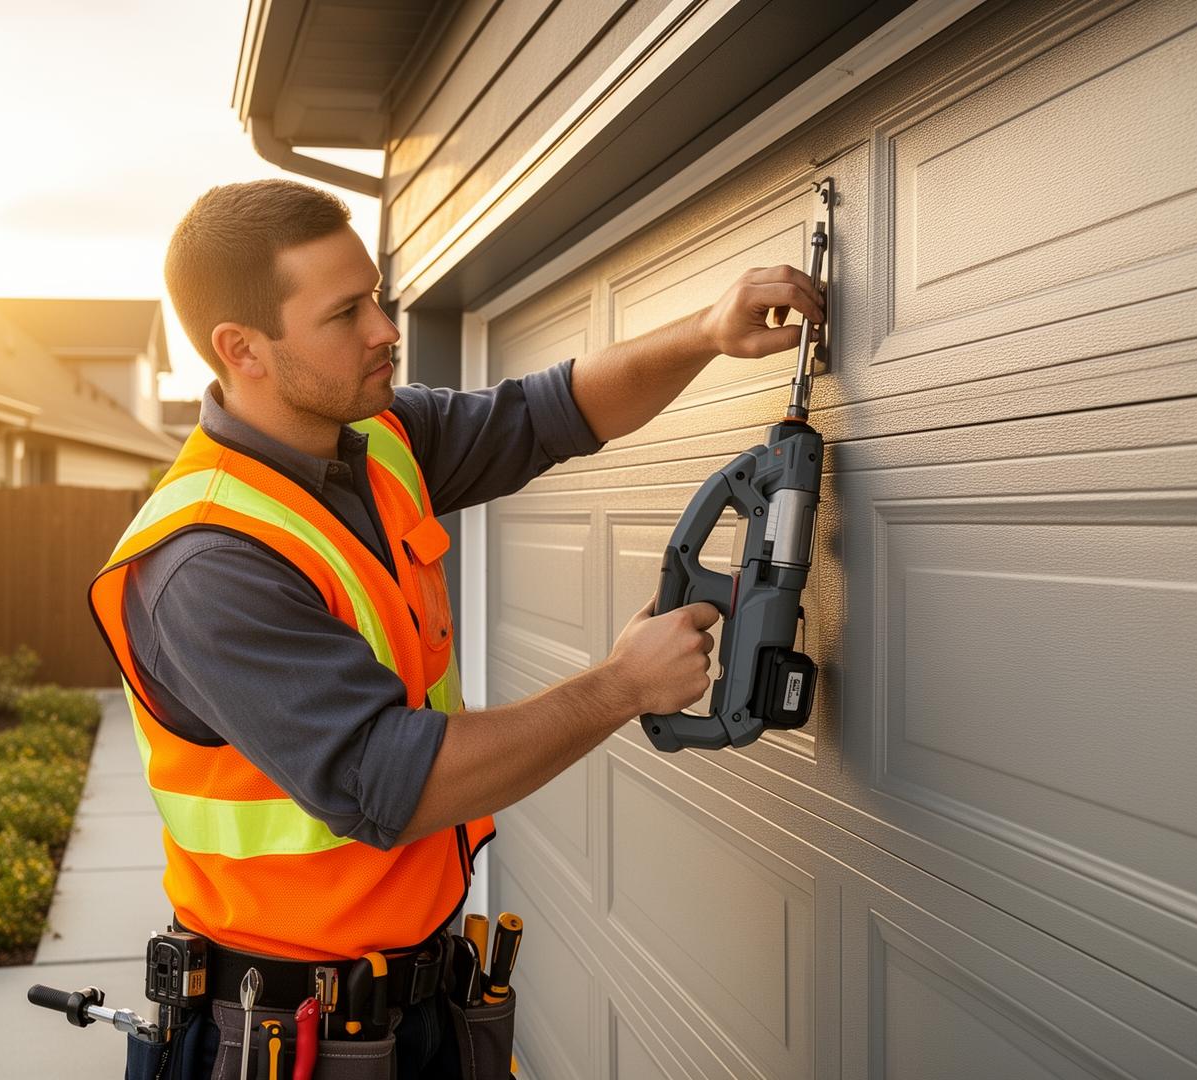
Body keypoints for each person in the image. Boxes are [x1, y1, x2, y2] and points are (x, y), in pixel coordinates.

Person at [91, 178, 824, 1080]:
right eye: (346, 312)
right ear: (241, 349)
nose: (385, 329)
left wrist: (706, 333)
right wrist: (622, 685)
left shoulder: (375, 441)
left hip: (419, 1003)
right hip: (283, 1040)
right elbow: (389, 785)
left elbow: (548, 412)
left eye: (380, 298)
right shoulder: (207, 563)